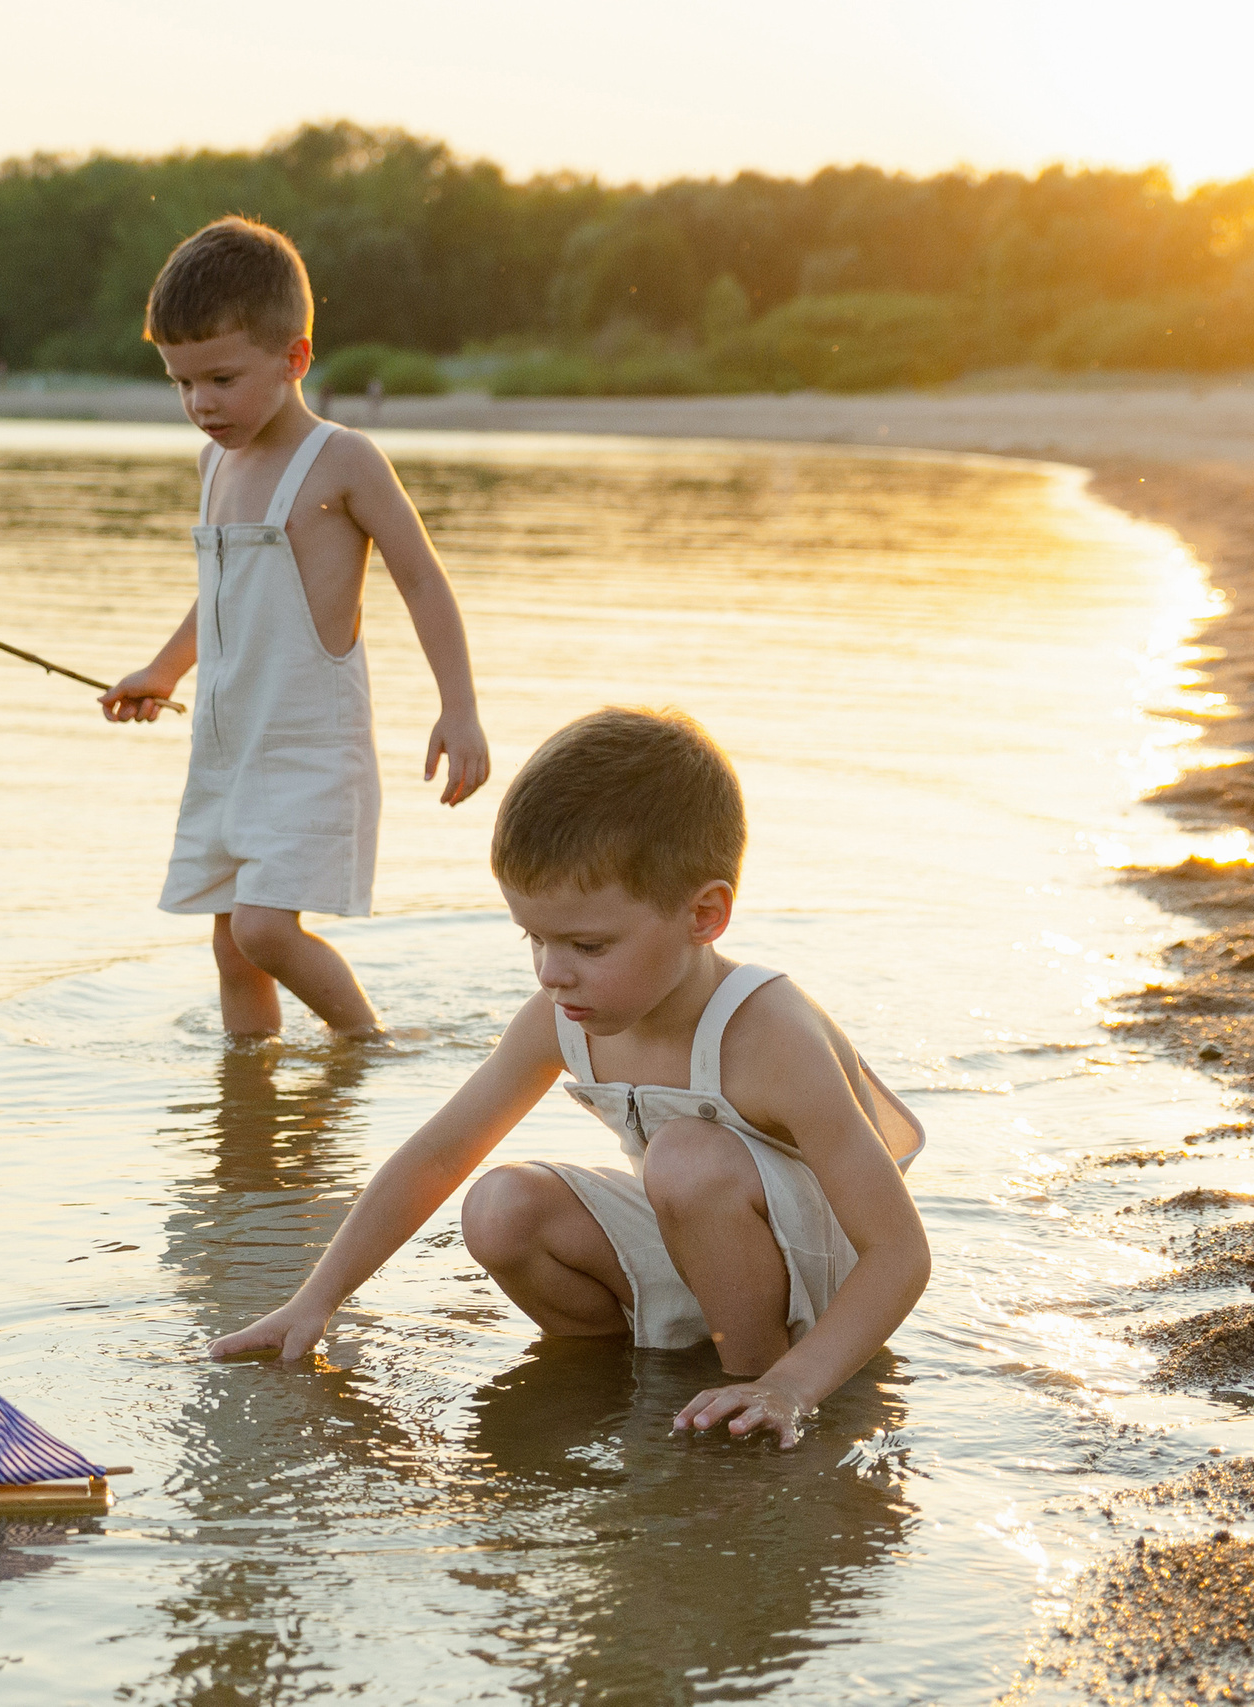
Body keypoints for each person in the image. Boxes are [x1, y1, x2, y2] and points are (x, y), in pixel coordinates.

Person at [206, 708, 931, 1443]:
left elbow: (899, 1252)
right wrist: (317, 1299)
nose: (553, 972)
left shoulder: (769, 1034)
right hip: (697, 1240)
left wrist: (792, 1384)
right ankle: (629, 1377)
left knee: (683, 1159)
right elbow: (438, 1154)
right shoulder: (562, 1013)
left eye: (587, 943)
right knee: (499, 1205)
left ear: (704, 915)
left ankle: (749, 1396)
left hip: (820, 1298)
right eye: (536, 938)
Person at [102, 217, 489, 1038]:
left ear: (294, 359)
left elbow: (421, 578)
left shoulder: (342, 460)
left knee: (265, 928)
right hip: (230, 746)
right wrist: (164, 670)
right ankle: (250, 1098)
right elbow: (220, 594)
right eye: (182, 384)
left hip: (308, 747)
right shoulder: (216, 464)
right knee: (231, 945)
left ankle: (366, 1043)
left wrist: (460, 708)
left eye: (221, 378)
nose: (201, 404)